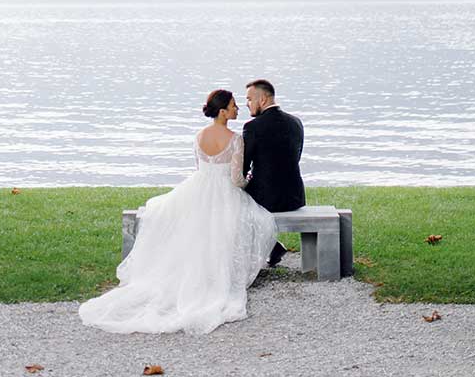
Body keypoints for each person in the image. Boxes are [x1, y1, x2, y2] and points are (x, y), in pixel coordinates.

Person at [78, 89, 277, 334]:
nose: (238, 109)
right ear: (223, 111)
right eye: (234, 106)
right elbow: (236, 179)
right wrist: (247, 184)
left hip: (197, 189)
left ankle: (192, 277)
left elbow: (199, 167)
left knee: (195, 231)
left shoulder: (199, 136)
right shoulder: (235, 139)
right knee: (247, 222)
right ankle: (215, 279)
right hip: (224, 192)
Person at [242, 79, 306, 266]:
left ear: (262, 99)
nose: (247, 104)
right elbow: (294, 158)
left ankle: (269, 247)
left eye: (249, 99)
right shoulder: (296, 122)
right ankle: (273, 246)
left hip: (266, 199)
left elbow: (243, 168)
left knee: (232, 199)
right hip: (295, 197)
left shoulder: (252, 127)